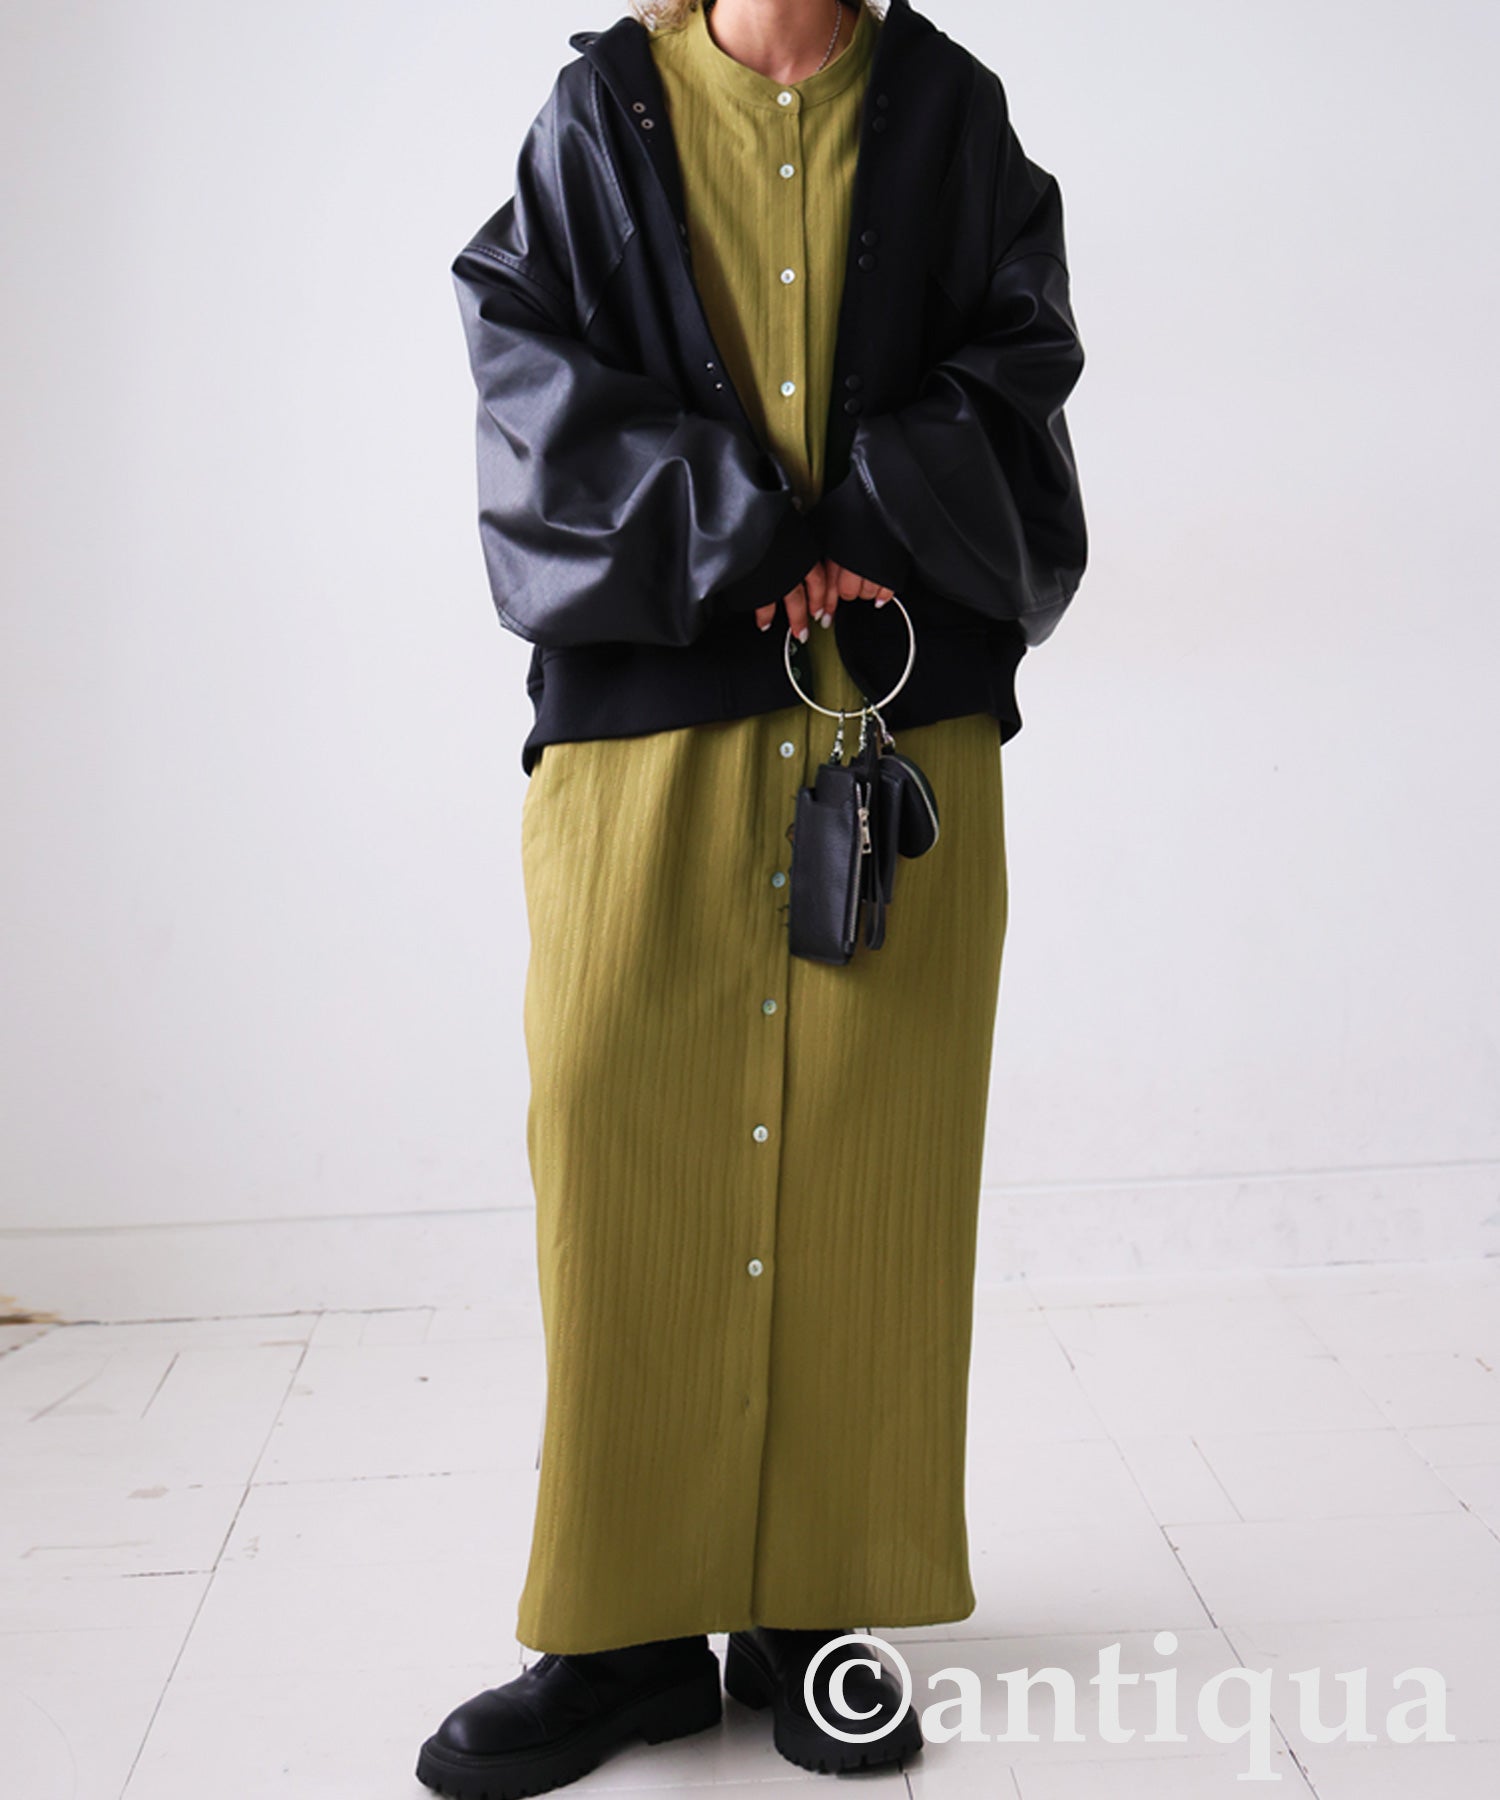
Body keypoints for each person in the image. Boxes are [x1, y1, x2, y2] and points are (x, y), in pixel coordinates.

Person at [418, 1, 1086, 1794]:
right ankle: (624, 1639)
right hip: (649, 733)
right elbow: (523, 366)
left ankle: (813, 1615)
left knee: (872, 1156)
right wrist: (744, 525)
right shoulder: (602, 114)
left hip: (891, 733)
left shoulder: (951, 111)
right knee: (615, 1130)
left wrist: (870, 511)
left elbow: (1025, 351)